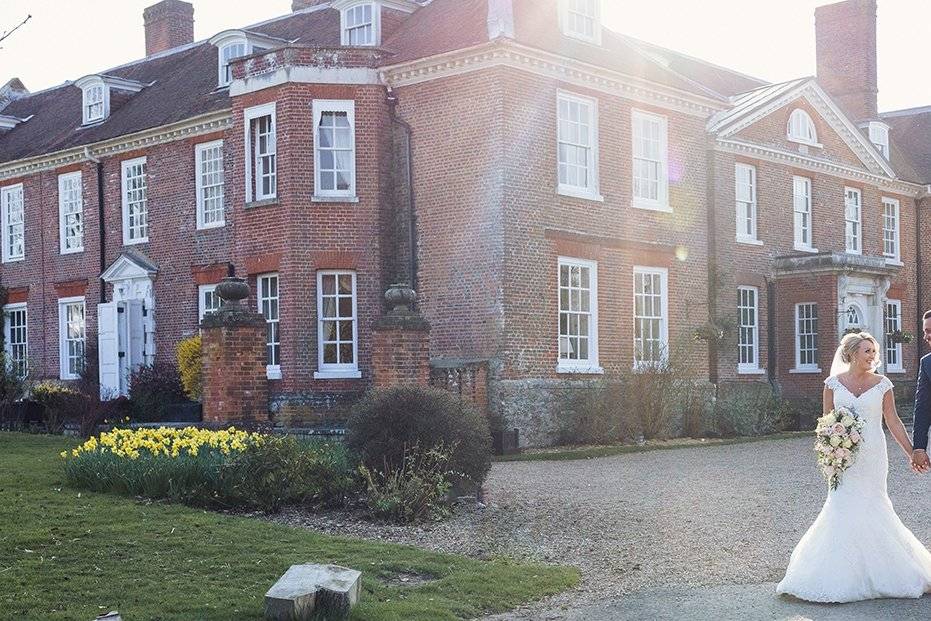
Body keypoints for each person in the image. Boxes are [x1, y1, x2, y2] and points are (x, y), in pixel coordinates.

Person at [776, 331, 931, 602]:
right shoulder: (832, 384)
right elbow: (825, 424)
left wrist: (912, 453)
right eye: (866, 351)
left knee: (874, 505)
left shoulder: (883, 384)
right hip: (843, 456)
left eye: (874, 351)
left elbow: (893, 422)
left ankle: (891, 571)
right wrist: (830, 451)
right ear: (851, 354)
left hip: (872, 454)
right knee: (840, 504)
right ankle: (837, 574)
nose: (872, 356)